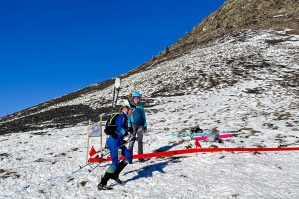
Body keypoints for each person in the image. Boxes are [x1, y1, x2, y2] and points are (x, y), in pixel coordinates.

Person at [98, 105, 133, 190]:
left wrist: (124, 138)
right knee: (115, 163)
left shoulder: (125, 118)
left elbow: (119, 130)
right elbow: (120, 128)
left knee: (128, 156)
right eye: (130, 110)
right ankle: (102, 183)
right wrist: (126, 134)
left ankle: (115, 174)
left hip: (119, 142)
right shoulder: (122, 116)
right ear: (126, 110)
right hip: (113, 142)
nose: (132, 111)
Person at [127, 90, 147, 163]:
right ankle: (129, 158)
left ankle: (140, 158)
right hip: (133, 125)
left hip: (140, 126)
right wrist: (129, 126)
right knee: (131, 141)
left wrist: (145, 126)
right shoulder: (130, 107)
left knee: (140, 141)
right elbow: (128, 117)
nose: (136, 99)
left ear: (139, 99)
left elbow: (143, 117)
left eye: (137, 98)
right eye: (135, 98)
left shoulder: (141, 107)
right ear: (133, 98)